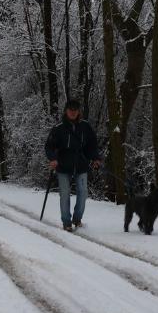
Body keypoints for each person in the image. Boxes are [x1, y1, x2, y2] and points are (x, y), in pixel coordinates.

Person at [45, 99, 103, 231]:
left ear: (78, 111)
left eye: (75, 110)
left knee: (83, 193)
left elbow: (92, 145)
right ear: (66, 111)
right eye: (70, 110)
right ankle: (66, 222)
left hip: (81, 164)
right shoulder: (58, 128)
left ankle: (77, 219)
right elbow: (49, 146)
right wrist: (53, 159)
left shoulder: (85, 126)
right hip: (63, 166)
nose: (73, 112)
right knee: (65, 194)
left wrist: (96, 158)